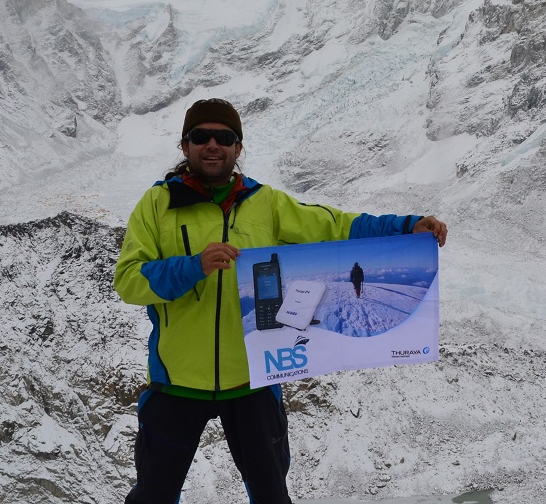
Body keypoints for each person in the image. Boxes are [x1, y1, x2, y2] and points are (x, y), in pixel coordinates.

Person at [114, 98, 448, 504]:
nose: (213, 145)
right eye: (201, 137)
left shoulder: (266, 203)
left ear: (238, 148)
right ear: (184, 146)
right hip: (176, 384)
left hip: (254, 380)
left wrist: (405, 227)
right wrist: (191, 268)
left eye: (225, 137)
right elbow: (129, 281)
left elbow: (334, 226)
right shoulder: (157, 205)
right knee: (153, 496)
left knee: (271, 495)